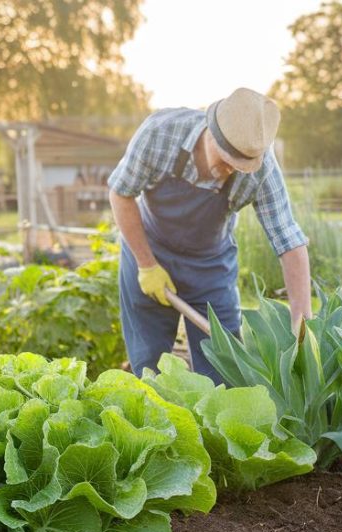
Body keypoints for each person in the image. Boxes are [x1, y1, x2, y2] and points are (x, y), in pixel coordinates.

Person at [108, 87, 312, 383]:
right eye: (227, 159)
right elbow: (121, 193)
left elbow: (289, 240)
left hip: (210, 268)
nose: (229, 171)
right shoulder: (160, 133)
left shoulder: (262, 170)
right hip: (149, 253)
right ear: (211, 131)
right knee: (150, 369)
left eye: (240, 166)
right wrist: (147, 264)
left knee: (224, 373)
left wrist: (301, 323)